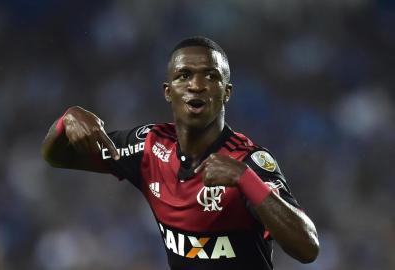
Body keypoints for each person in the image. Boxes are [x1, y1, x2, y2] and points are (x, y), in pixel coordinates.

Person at [41, 36, 319, 270]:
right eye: (184, 75)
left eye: (211, 76)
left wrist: (246, 181)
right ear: (167, 91)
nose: (196, 85)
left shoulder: (247, 161)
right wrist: (67, 120)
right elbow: (58, 156)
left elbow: (307, 248)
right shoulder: (149, 147)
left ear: (227, 93)